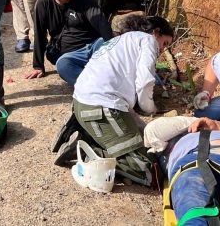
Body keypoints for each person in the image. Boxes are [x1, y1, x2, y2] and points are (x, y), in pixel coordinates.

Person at [61, 16, 175, 185]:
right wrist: (150, 108)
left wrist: (145, 129)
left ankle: (90, 137)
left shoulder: (123, 41)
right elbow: (144, 83)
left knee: (141, 141)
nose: (161, 50)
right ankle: (88, 149)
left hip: (83, 105)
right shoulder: (148, 41)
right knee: (150, 172)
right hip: (100, 108)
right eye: (164, 43)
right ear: (156, 32)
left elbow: (124, 103)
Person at [146, 116, 220, 225]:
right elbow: (152, 129)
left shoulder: (217, 127)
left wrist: (219, 125)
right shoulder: (175, 138)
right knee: (196, 217)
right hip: (200, 160)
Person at [22, 0, 112, 85]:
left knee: (105, 45)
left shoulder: (84, 0)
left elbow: (102, 24)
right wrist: (38, 66)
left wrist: (113, 49)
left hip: (92, 46)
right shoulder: (44, 3)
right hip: (69, 55)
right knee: (63, 66)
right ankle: (93, 85)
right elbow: (39, 34)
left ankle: (103, 78)